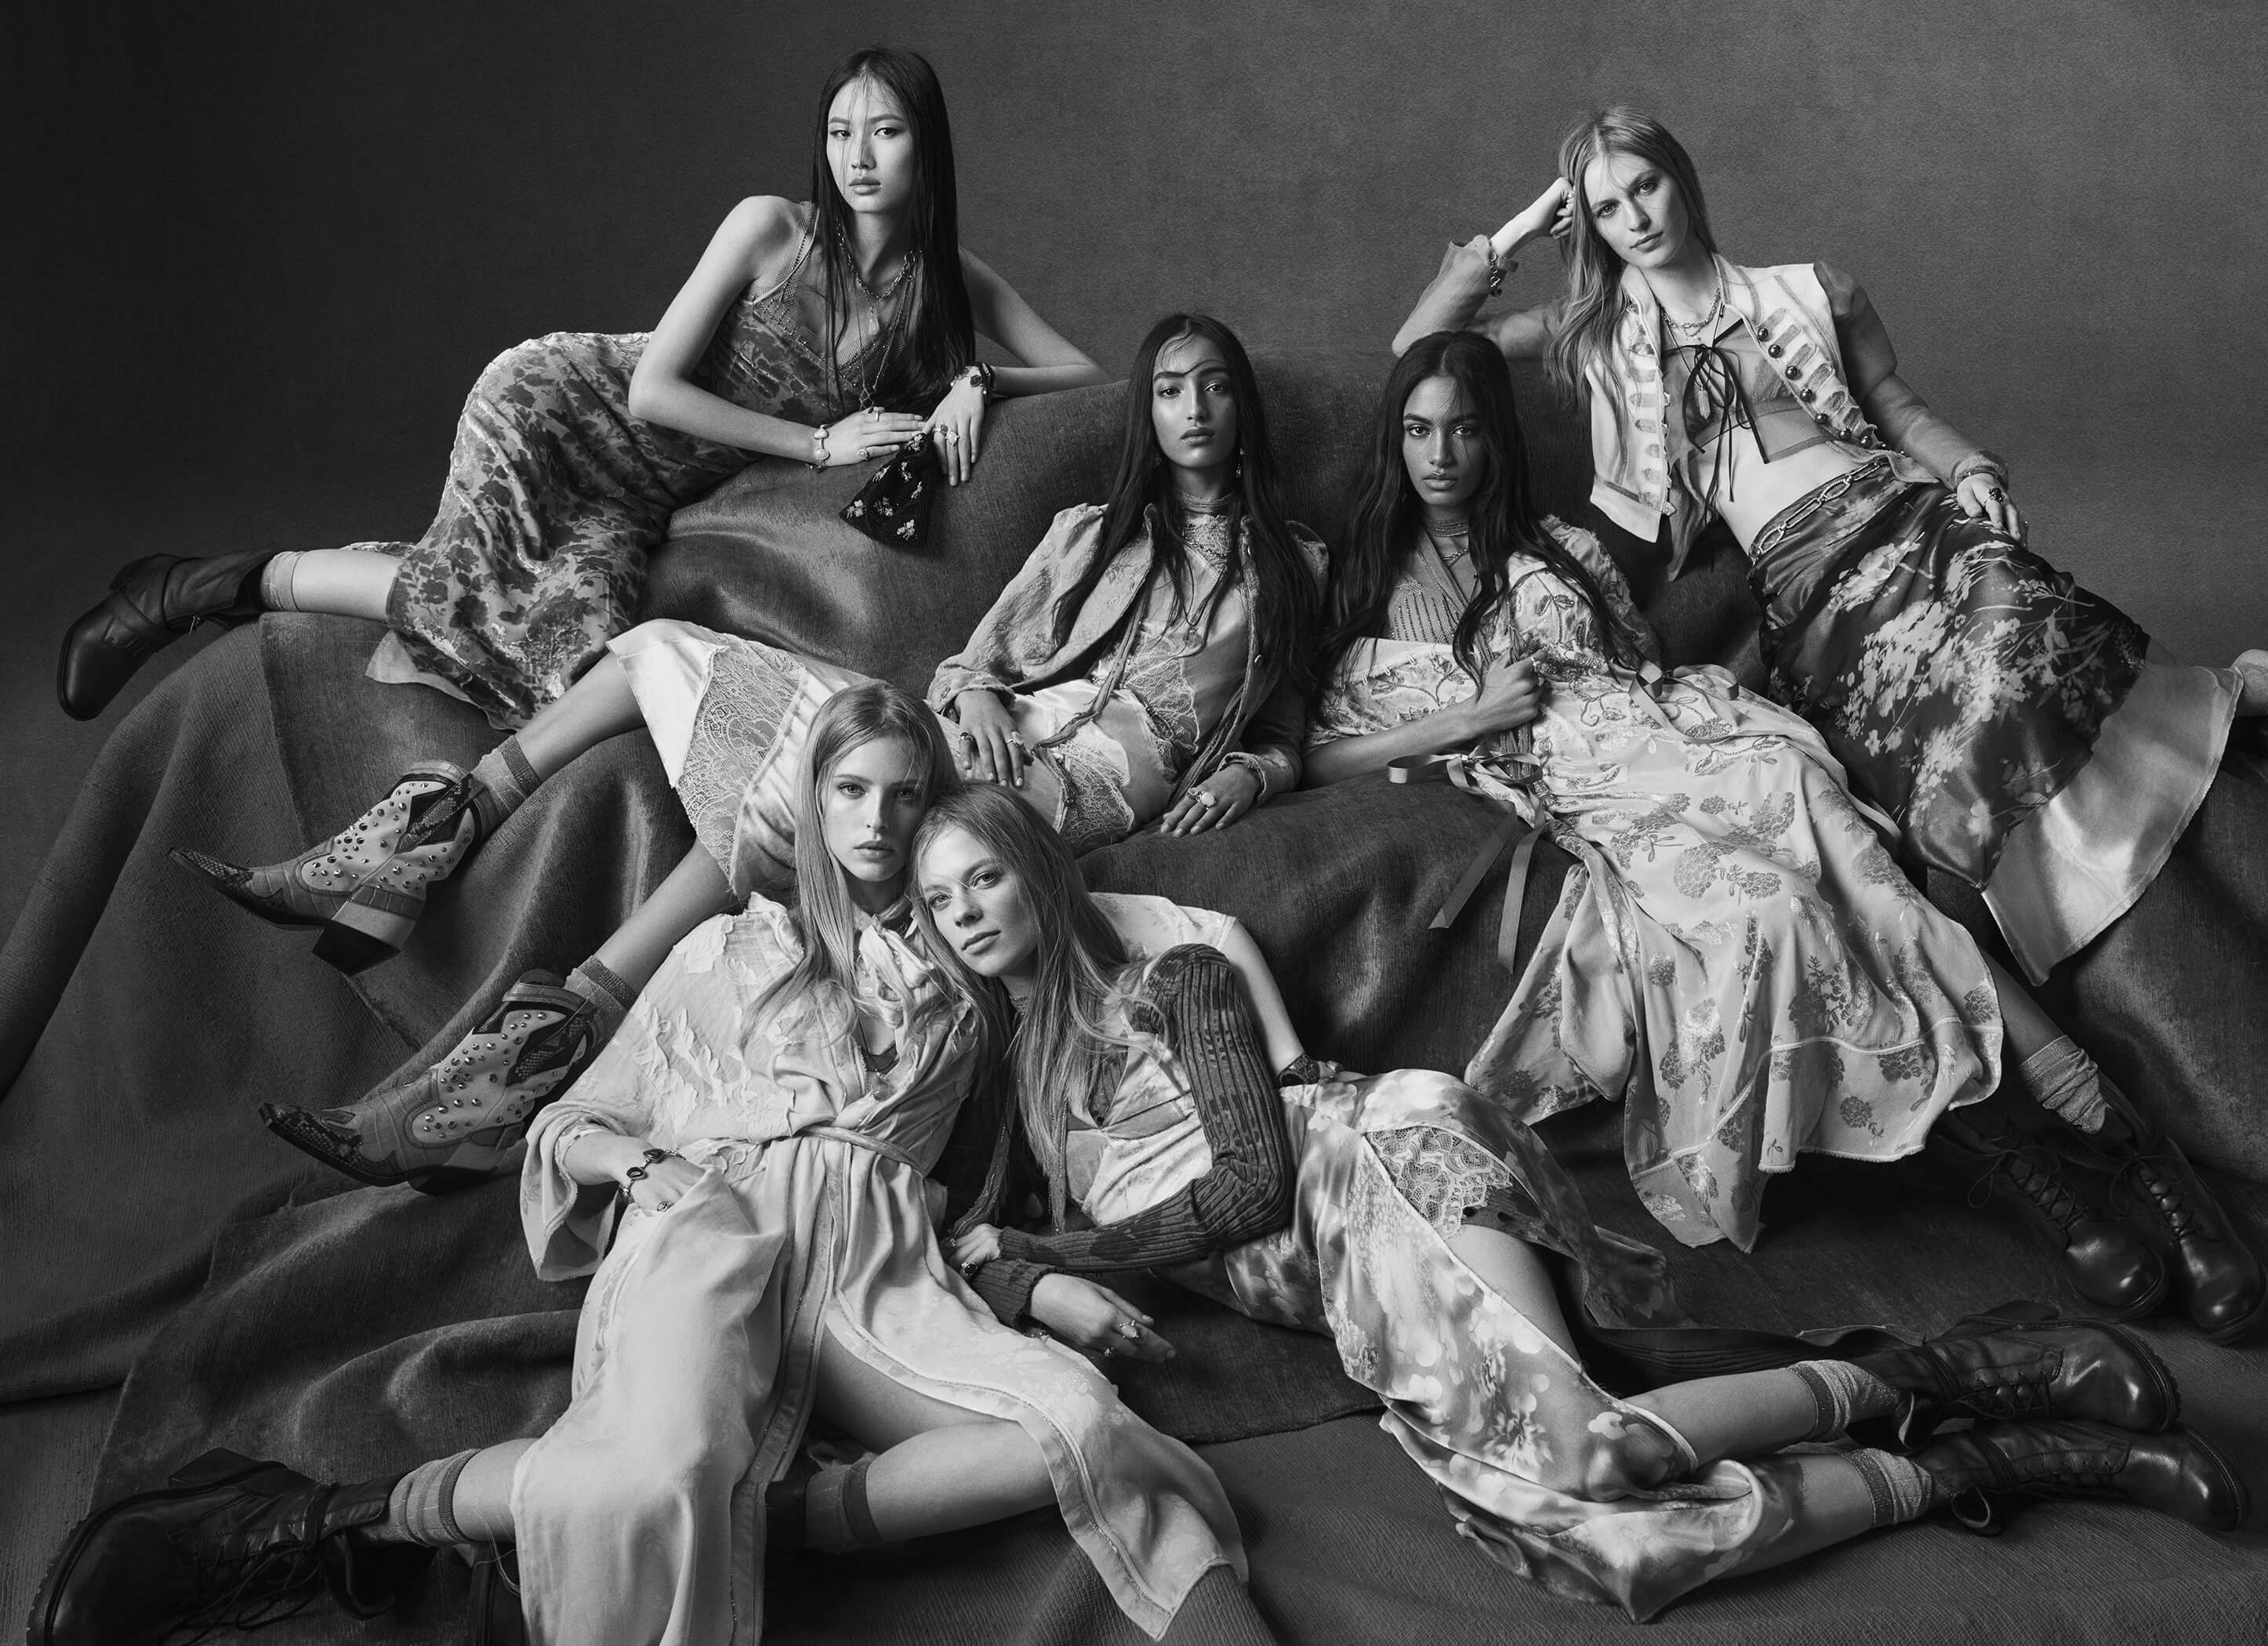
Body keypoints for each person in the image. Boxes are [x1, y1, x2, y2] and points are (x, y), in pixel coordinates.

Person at [27, 683, 1242, 1646]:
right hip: (714, 1220)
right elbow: (573, 1120)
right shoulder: (732, 948)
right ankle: (298, 1522)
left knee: (1079, 1426)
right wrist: (640, 1169)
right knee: (653, 1480)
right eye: (851, 790)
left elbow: (1085, 1027)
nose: (877, 822)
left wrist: (1041, 1277)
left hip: (880, 1264)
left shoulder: (972, 972)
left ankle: (753, 1523)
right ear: (814, 802)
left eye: (905, 795)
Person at [912, 781, 2245, 1623]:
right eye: (937, 900)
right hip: (1349, 1293)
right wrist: (1031, 1267)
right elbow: (967, 1238)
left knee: (1587, 1454)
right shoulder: (1020, 1080)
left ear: (1038, 869)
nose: (967, 912)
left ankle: (1978, 1390)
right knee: (1590, 1538)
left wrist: (1064, 1250)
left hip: (1375, 1168)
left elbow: (1254, 1179)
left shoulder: (1170, 978)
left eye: (985, 875)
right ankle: (1964, 1450)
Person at [1308, 332, 2266, 1340]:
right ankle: (2057, 1185)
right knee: (1783, 914)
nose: (1441, 453)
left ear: (1493, 439)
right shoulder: (1364, 585)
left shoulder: (1559, 548)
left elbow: (1634, 662)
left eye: (1463, 428)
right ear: (1393, 440)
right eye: (1417, 429)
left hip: (1699, 739)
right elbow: (1322, 754)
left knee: (1876, 891)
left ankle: (2136, 1169)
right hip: (1601, 795)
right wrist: (1468, 719)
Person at [237, 313, 1326, 1192]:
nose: (1194, 409)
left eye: (1214, 388)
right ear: (1147, 410)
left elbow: (1289, 726)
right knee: (659, 647)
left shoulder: (1296, 569)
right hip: (960, 740)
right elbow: (972, 659)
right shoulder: (1089, 532)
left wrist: (1254, 770)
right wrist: (979, 691)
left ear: (1243, 409)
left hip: (1055, 799)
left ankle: (511, 1018)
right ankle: (459, 854)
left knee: (769, 805)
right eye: (1170, 389)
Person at [1395, 106, 2268, 995]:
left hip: (1900, 513)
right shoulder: (1590, 333)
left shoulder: (1808, 291)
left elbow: (1895, 406)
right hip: (1811, 585)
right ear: (1588, 222)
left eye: (1646, 187)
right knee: (1955, 744)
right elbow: (1421, 353)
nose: (1634, 218)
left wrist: (1973, 470)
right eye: (1607, 206)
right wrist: (1521, 227)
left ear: (1683, 181)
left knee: (2028, 629)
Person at [58, 45, 1103, 734]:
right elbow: (651, 391)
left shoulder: (946, 285)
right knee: (477, 597)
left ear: (927, 143)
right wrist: (819, 445)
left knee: (570, 641)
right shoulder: (770, 228)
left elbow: (1089, 376)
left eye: (885, 131)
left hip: (651, 495)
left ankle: (188, 584)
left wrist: (972, 378)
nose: (857, 157)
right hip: (562, 407)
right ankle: (186, 589)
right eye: (840, 132)